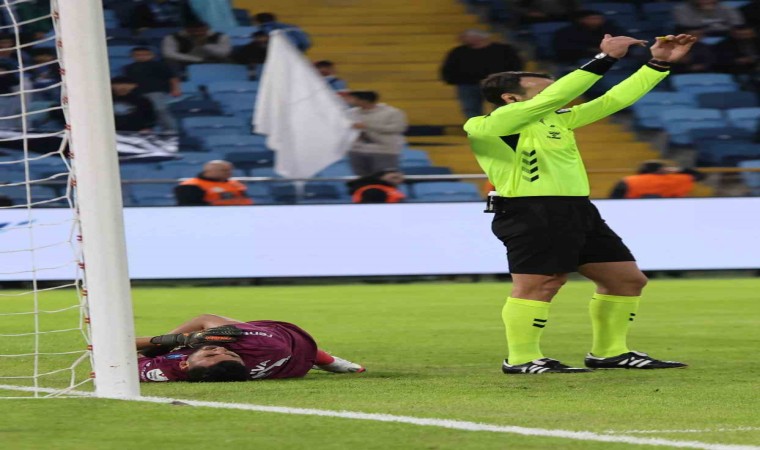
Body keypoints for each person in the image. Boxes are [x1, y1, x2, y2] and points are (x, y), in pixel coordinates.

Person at [464, 33, 697, 374]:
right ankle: (521, 358)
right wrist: (605, 58)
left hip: (578, 209)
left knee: (626, 280)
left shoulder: (557, 119)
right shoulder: (488, 125)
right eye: (545, 90)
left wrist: (658, 63)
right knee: (541, 284)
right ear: (510, 98)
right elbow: (562, 94)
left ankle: (610, 353)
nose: (557, 94)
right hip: (531, 210)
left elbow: (614, 100)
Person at [136, 314, 365, 382]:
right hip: (289, 342)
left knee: (151, 349)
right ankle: (326, 360)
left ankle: (168, 342)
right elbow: (206, 318)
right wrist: (178, 339)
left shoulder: (163, 371)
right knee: (301, 348)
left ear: (184, 365)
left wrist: (162, 343)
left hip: (284, 361)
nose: (219, 349)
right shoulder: (258, 345)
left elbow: (117, 352)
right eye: (226, 353)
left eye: (212, 352)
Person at [440, 30, 524, 119]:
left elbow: (516, 65)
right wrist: (455, 80)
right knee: (471, 109)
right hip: (468, 85)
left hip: (499, 84)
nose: (461, 39)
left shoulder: (503, 49)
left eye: (465, 37)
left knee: (501, 108)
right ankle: (477, 127)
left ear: (478, 37)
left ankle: (499, 125)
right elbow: (449, 68)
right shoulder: (458, 51)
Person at [345, 91, 408, 176]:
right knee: (361, 179)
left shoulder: (392, 112)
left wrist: (366, 126)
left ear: (364, 100)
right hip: (357, 150)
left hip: (384, 151)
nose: (348, 100)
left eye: (352, 98)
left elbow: (398, 128)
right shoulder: (350, 113)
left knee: (384, 178)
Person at [123, 46, 181, 132]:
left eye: (145, 54)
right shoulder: (129, 68)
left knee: (160, 110)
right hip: (138, 93)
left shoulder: (160, 65)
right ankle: (145, 130)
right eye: (138, 55)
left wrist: (176, 89)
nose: (141, 56)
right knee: (141, 112)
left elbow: (172, 78)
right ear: (132, 56)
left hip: (156, 91)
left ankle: (170, 130)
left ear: (152, 55)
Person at [552, 10, 625, 65]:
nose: (597, 21)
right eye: (593, 18)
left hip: (610, 55)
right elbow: (564, 46)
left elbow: (624, 39)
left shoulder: (610, 28)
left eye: (599, 18)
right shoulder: (567, 32)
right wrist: (591, 50)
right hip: (578, 58)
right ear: (582, 20)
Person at [609, 160, 705, 198]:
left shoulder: (628, 180)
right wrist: (678, 169)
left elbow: (614, 198)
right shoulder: (678, 179)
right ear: (661, 169)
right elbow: (700, 176)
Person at [174, 160, 253, 206]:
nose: (229, 173)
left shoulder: (235, 183)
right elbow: (191, 207)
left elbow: (245, 199)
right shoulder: (191, 186)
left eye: (230, 170)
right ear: (209, 171)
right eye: (224, 170)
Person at [161, 21, 232, 71]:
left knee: (228, 61)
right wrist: (198, 60)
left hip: (213, 61)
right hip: (185, 63)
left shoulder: (220, 36)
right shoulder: (172, 37)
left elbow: (224, 53)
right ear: (187, 30)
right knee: (169, 62)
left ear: (207, 29)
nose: (198, 33)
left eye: (201, 31)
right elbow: (168, 54)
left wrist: (204, 46)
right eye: (194, 31)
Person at [673, 0, 744, 37]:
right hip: (696, 39)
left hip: (727, 37)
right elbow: (687, 25)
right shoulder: (681, 9)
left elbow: (737, 23)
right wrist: (703, 11)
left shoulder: (727, 7)